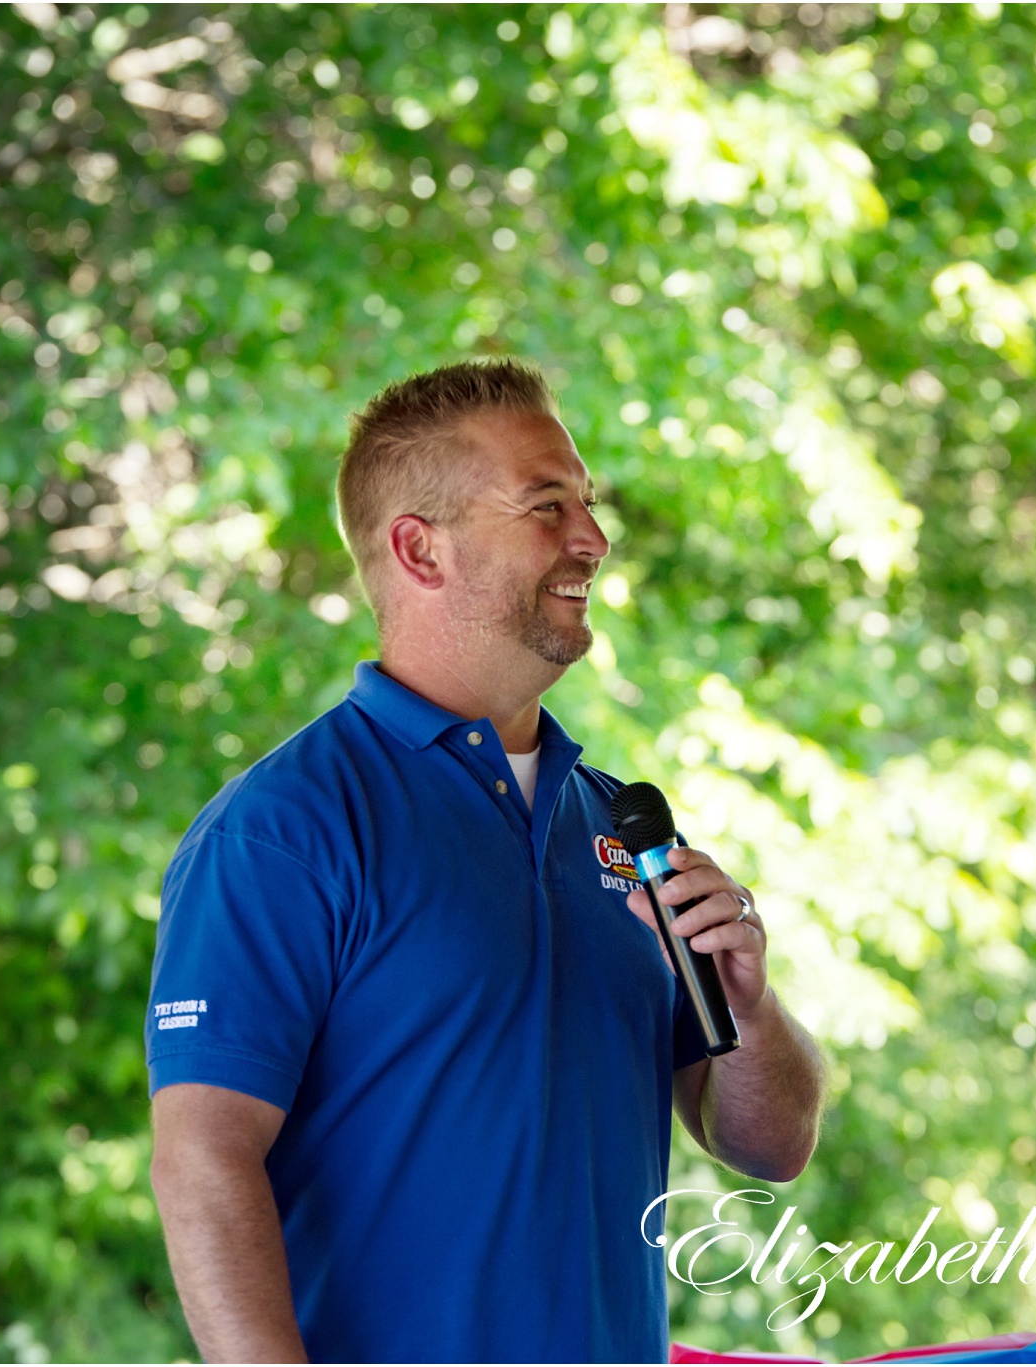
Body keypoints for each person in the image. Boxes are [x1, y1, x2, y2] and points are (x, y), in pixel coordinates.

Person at [146, 359, 826, 1363]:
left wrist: (748, 1006)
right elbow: (201, 1161)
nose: (591, 538)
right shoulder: (281, 829)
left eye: (585, 504)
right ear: (420, 548)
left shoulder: (619, 824)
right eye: (545, 505)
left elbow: (770, 1144)